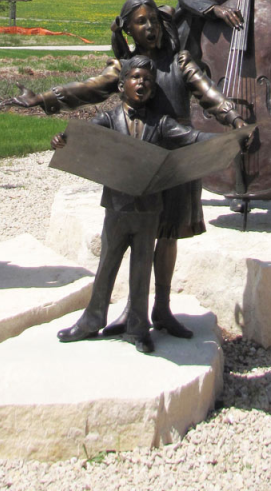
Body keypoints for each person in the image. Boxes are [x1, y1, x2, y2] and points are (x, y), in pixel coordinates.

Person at [3, 0, 246, 336]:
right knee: (136, 234)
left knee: (168, 235)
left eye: (153, 20)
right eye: (140, 22)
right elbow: (85, 89)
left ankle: (160, 309)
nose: (150, 27)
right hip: (138, 157)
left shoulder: (180, 60)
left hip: (176, 157)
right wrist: (43, 98)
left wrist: (235, 120)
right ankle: (133, 313)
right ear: (129, 30)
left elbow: (209, 93)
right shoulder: (126, 67)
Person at [54, 55, 217, 353]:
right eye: (136, 78)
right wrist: (64, 140)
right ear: (121, 85)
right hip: (116, 208)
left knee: (141, 269)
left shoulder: (163, 123)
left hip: (149, 210)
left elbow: (191, 136)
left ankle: (138, 328)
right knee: (106, 265)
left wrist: (224, 141)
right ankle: (92, 319)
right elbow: (84, 137)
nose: (142, 83)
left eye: (148, 81)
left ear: (153, 90)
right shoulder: (107, 120)